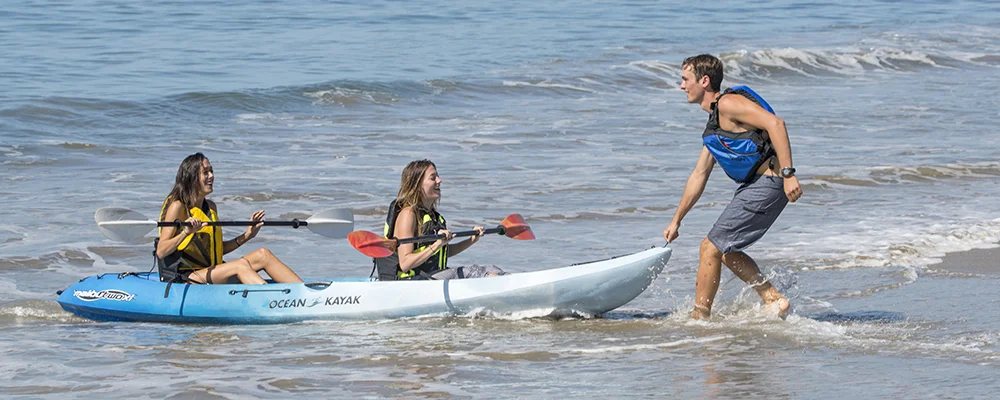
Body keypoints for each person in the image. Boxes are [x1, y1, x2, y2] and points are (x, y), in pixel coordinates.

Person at [662, 54, 803, 319]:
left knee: (709, 247)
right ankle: (773, 299)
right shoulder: (715, 125)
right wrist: (676, 220)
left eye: (685, 79)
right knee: (726, 250)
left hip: (771, 181)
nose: (681, 86)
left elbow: (776, 124)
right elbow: (699, 174)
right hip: (758, 184)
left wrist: (789, 174)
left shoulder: (727, 103)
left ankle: (699, 318)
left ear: (704, 81)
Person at [155, 152, 302, 284]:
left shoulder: (210, 207)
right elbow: (161, 251)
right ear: (192, 178)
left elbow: (217, 250)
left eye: (211, 171)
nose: (211, 176)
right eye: (205, 172)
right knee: (240, 265)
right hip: (188, 276)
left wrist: (247, 236)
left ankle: (306, 294)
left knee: (264, 254)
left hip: (212, 271)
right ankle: (272, 301)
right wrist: (186, 232)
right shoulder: (178, 207)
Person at [373, 159, 506, 280]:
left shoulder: (432, 215)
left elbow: (442, 253)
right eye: (433, 178)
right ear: (417, 184)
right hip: (410, 283)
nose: (439, 180)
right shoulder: (408, 214)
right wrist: (437, 244)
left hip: (430, 277)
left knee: (492, 269)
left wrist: (470, 240)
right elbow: (405, 264)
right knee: (473, 271)